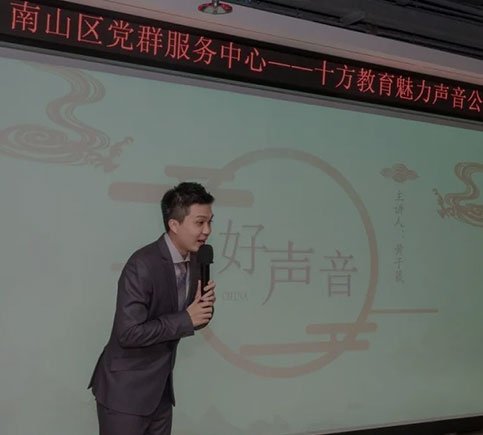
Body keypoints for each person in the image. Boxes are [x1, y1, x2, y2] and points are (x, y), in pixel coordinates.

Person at [88, 182, 216, 435]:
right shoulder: (142, 265)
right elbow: (128, 333)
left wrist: (202, 311)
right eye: (200, 223)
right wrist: (186, 318)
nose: (207, 231)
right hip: (125, 393)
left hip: (160, 392)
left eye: (210, 222)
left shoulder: (195, 261)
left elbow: (189, 320)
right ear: (174, 224)